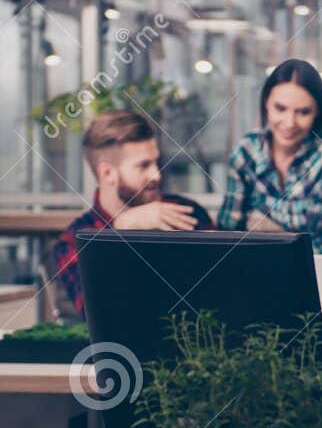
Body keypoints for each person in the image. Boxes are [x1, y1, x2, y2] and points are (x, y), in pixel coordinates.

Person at [49, 109, 216, 316]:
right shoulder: (74, 241)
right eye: (143, 166)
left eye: (156, 162)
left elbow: (224, 289)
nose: (156, 175)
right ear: (107, 173)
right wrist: (121, 229)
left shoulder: (187, 214)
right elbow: (97, 312)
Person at [218, 58, 322, 253]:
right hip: (256, 268)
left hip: (320, 273)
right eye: (280, 108)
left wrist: (267, 227)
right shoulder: (246, 151)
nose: (289, 123)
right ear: (266, 103)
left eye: (303, 112)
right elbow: (228, 230)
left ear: (317, 112)